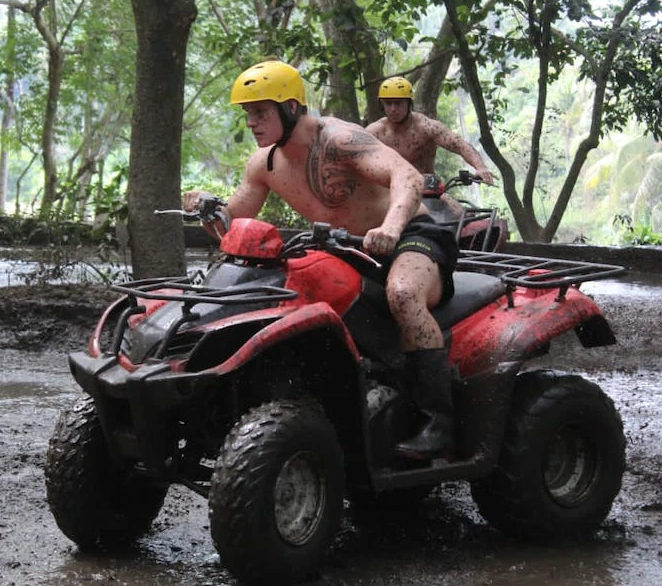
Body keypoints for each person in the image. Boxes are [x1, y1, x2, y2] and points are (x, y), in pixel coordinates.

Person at [183, 60, 459, 460]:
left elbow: (409, 178)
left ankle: (440, 422)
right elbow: (232, 228)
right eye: (248, 114)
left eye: (260, 112)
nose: (251, 123)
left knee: (402, 294)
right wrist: (208, 211)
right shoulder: (264, 164)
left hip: (410, 237)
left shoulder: (341, 139)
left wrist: (392, 229)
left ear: (290, 107)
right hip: (344, 247)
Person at [366, 76, 495, 216]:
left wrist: (480, 168)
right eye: (388, 103)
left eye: (398, 103)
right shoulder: (374, 133)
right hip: (391, 195)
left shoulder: (426, 127)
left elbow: (459, 144)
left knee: (462, 217)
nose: (393, 109)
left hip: (430, 192)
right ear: (381, 105)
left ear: (408, 103)